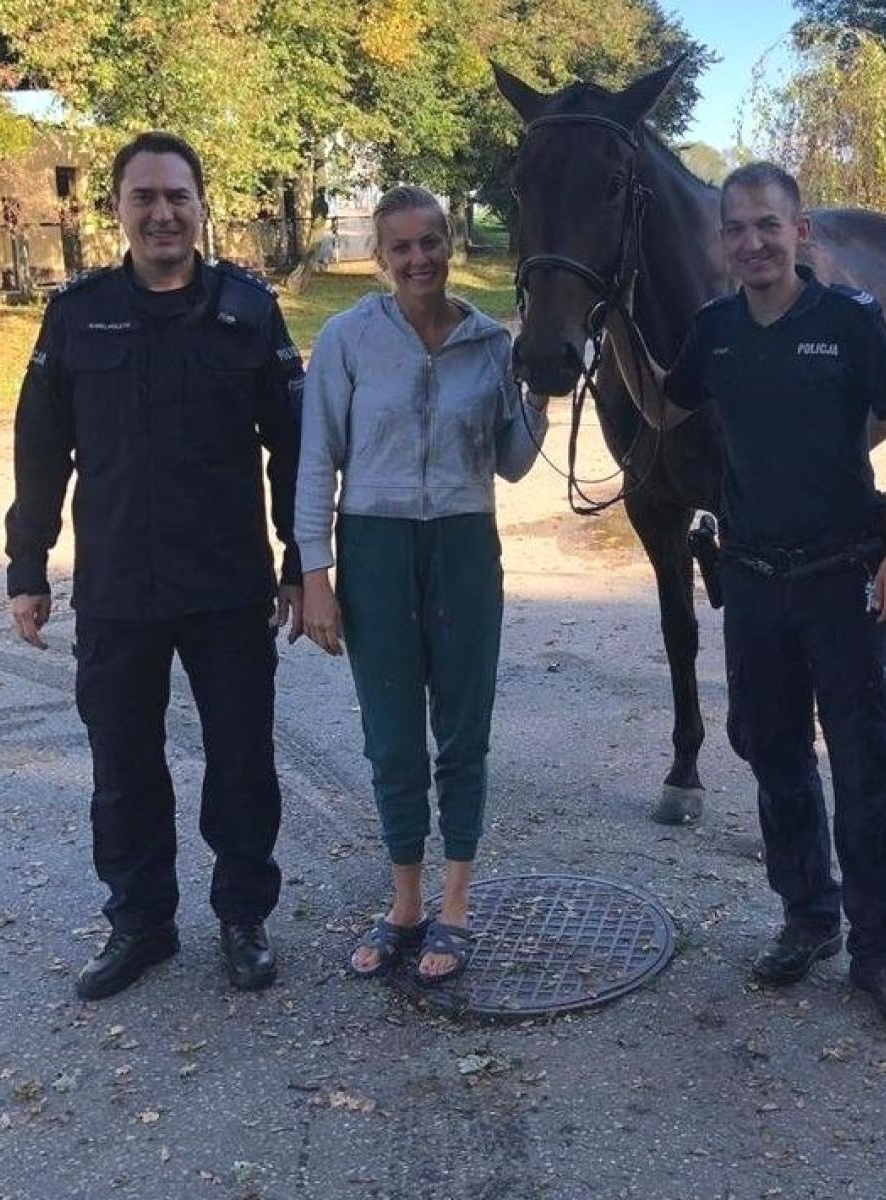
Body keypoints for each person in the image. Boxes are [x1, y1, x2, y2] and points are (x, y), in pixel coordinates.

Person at [611, 162, 886, 1031]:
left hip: (841, 576)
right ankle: (806, 918)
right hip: (752, 580)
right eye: (737, 229)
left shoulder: (848, 320)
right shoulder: (714, 330)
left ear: (800, 234)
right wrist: (609, 326)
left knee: (866, 765)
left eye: (768, 225)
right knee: (774, 757)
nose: (752, 242)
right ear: (721, 243)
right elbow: (660, 408)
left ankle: (882, 952)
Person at [5, 131, 304, 999]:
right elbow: (39, 447)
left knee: (241, 760)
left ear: (202, 205)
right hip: (118, 591)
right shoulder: (76, 313)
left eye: (178, 196)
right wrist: (29, 563)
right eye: (145, 197)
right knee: (122, 769)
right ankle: (141, 924)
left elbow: (291, 447)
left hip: (226, 584)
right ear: (119, 210)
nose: (162, 212)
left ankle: (242, 917)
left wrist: (299, 559)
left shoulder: (249, 311)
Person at [295, 185, 548, 986]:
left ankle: (457, 903)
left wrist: (539, 389)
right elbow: (316, 458)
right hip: (373, 545)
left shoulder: (487, 342)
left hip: (465, 543)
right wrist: (315, 574)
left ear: (449, 244)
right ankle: (404, 903)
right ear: (380, 257)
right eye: (400, 247)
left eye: (430, 242)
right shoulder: (346, 338)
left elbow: (510, 461)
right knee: (391, 733)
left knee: (463, 730)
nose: (418, 260)